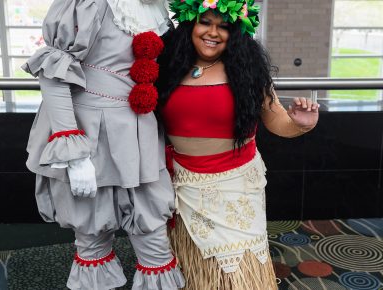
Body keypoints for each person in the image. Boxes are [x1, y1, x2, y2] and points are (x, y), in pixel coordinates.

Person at [21, 0, 185, 289]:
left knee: (153, 233)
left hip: (140, 132)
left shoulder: (156, 8)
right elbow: (53, 73)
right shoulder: (87, 5)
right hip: (90, 133)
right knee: (91, 235)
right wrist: (72, 149)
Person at [156, 0, 319, 289]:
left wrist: (300, 124)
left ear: (236, 32)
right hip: (183, 188)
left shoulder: (247, 71)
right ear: (190, 23)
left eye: (224, 26)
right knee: (194, 271)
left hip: (236, 188)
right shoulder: (167, 66)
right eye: (205, 22)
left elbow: (276, 119)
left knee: (240, 274)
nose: (213, 32)